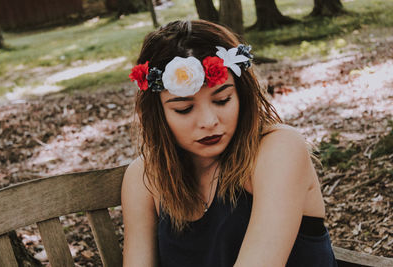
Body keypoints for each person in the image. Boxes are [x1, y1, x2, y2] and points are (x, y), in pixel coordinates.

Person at [121, 20, 337, 267]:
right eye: (184, 109)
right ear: (158, 113)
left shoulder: (278, 150)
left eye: (222, 100)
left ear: (241, 95)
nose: (209, 121)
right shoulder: (145, 178)